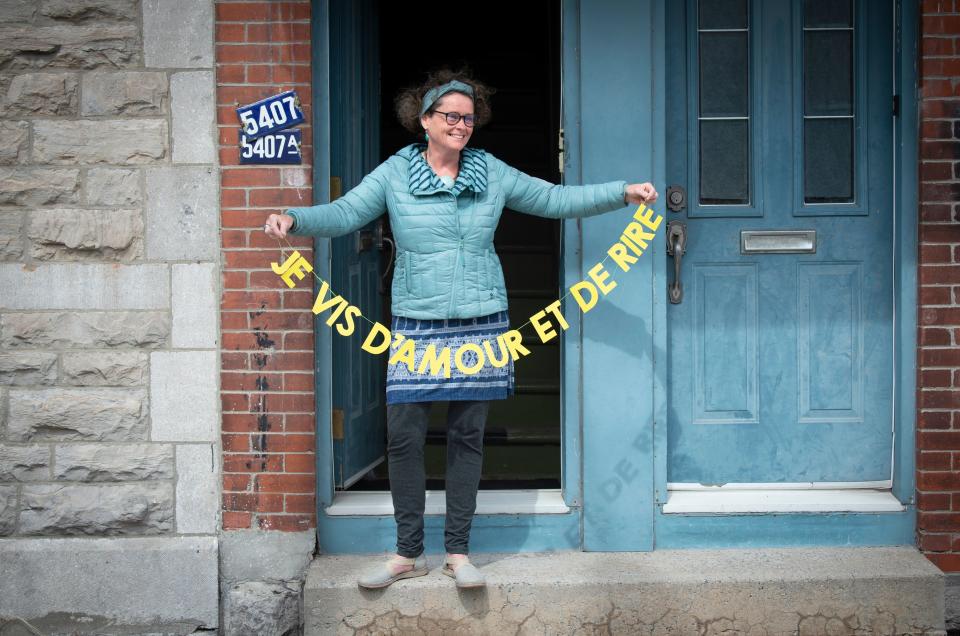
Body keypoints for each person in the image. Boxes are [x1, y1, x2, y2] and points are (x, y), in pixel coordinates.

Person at [264, 70, 658, 590]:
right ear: (423, 119)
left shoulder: (489, 172)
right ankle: (407, 553)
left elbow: (553, 200)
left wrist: (622, 193)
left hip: (481, 319)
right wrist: (295, 218)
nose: (461, 125)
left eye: (469, 117)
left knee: (466, 437)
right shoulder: (396, 173)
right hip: (414, 323)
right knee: (403, 436)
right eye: (450, 115)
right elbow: (344, 212)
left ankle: (457, 552)